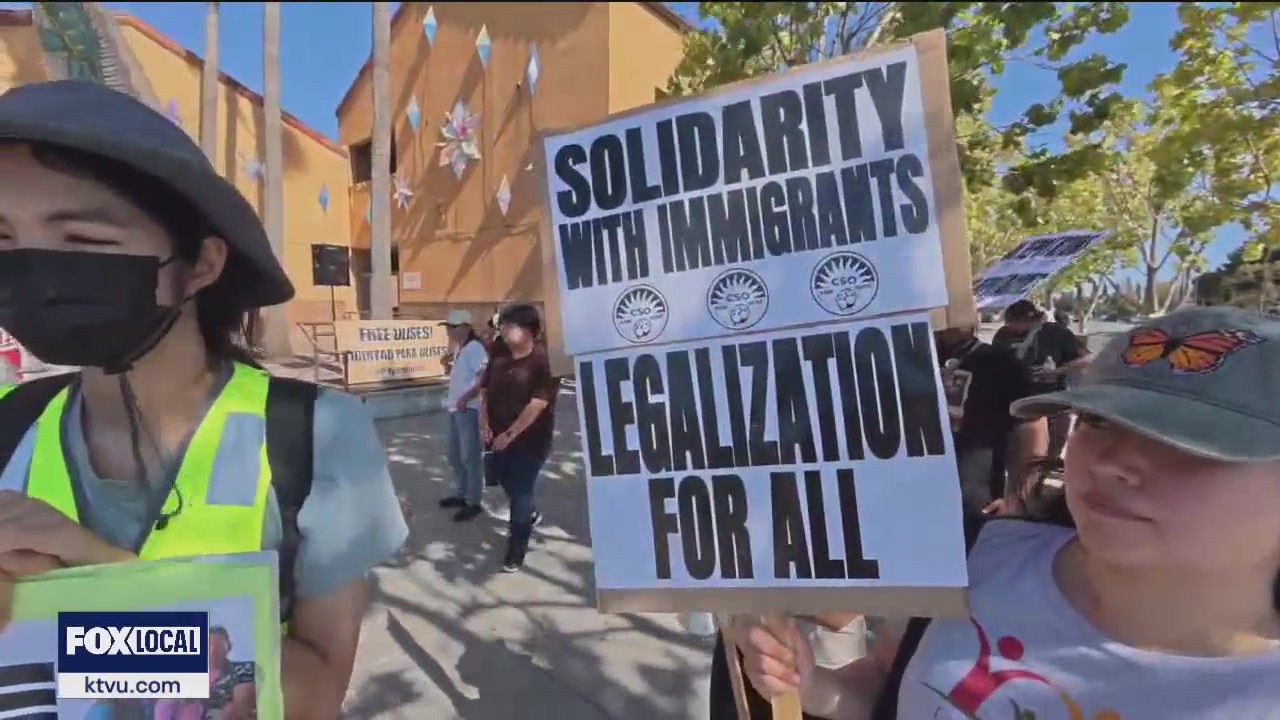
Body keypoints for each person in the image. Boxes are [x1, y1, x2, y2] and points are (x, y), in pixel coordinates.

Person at [0, 81, 408, 718]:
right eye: (3, 240)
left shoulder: (313, 432)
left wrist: (105, 583)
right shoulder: (13, 423)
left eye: (83, 240)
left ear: (200, 265)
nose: (34, 270)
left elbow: (316, 693)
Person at [729, 306, 1280, 718]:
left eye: (1188, 441)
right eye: (1099, 422)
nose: (1117, 462)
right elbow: (884, 683)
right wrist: (805, 683)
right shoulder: (979, 556)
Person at [479, 304, 557, 572]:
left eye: (512, 326)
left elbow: (537, 404)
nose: (505, 330)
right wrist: (484, 422)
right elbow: (485, 390)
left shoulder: (543, 362)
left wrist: (510, 434)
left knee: (521, 492)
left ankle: (516, 548)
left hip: (530, 440)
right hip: (496, 435)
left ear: (530, 331)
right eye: (505, 325)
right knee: (504, 481)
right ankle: (531, 513)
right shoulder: (498, 353)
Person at [934, 326, 1043, 515]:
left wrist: (1023, 492)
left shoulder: (1002, 363)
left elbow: (1031, 424)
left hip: (978, 496)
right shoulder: (903, 360)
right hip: (919, 493)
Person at [994, 299, 1091, 458]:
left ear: (1029, 319)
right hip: (1016, 402)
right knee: (1021, 457)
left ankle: (1044, 474)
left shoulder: (1056, 333)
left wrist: (1056, 372)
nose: (1011, 327)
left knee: (1052, 449)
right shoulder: (1003, 335)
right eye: (1008, 323)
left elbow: (1087, 358)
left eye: (1014, 323)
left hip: (1052, 400)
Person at [438, 309, 489, 522]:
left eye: (453, 327)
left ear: (466, 327)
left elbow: (483, 379)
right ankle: (462, 493)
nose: (449, 331)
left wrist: (465, 398)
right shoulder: (462, 348)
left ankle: (473, 501)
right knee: (454, 455)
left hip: (468, 409)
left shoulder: (475, 348)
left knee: (470, 457)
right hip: (455, 408)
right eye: (448, 327)